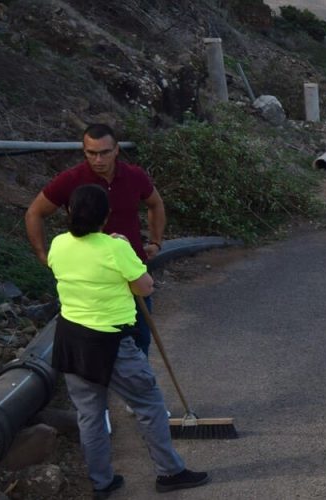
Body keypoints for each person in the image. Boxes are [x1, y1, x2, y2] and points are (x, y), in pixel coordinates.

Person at [48, 185, 207, 498]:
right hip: (111, 342)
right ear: (106, 216)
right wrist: (123, 248)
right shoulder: (114, 248)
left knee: (90, 415)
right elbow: (145, 287)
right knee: (148, 405)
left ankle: (101, 481)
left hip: (70, 339)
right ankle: (170, 473)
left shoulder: (58, 244)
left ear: (69, 212)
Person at [26, 123, 166, 356]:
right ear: (84, 151)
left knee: (139, 341)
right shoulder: (71, 179)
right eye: (91, 153)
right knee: (92, 349)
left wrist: (156, 241)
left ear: (117, 150)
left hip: (130, 271)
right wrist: (42, 255)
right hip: (89, 279)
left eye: (104, 152)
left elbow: (155, 203)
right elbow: (34, 212)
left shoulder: (134, 176)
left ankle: (134, 387)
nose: (98, 159)